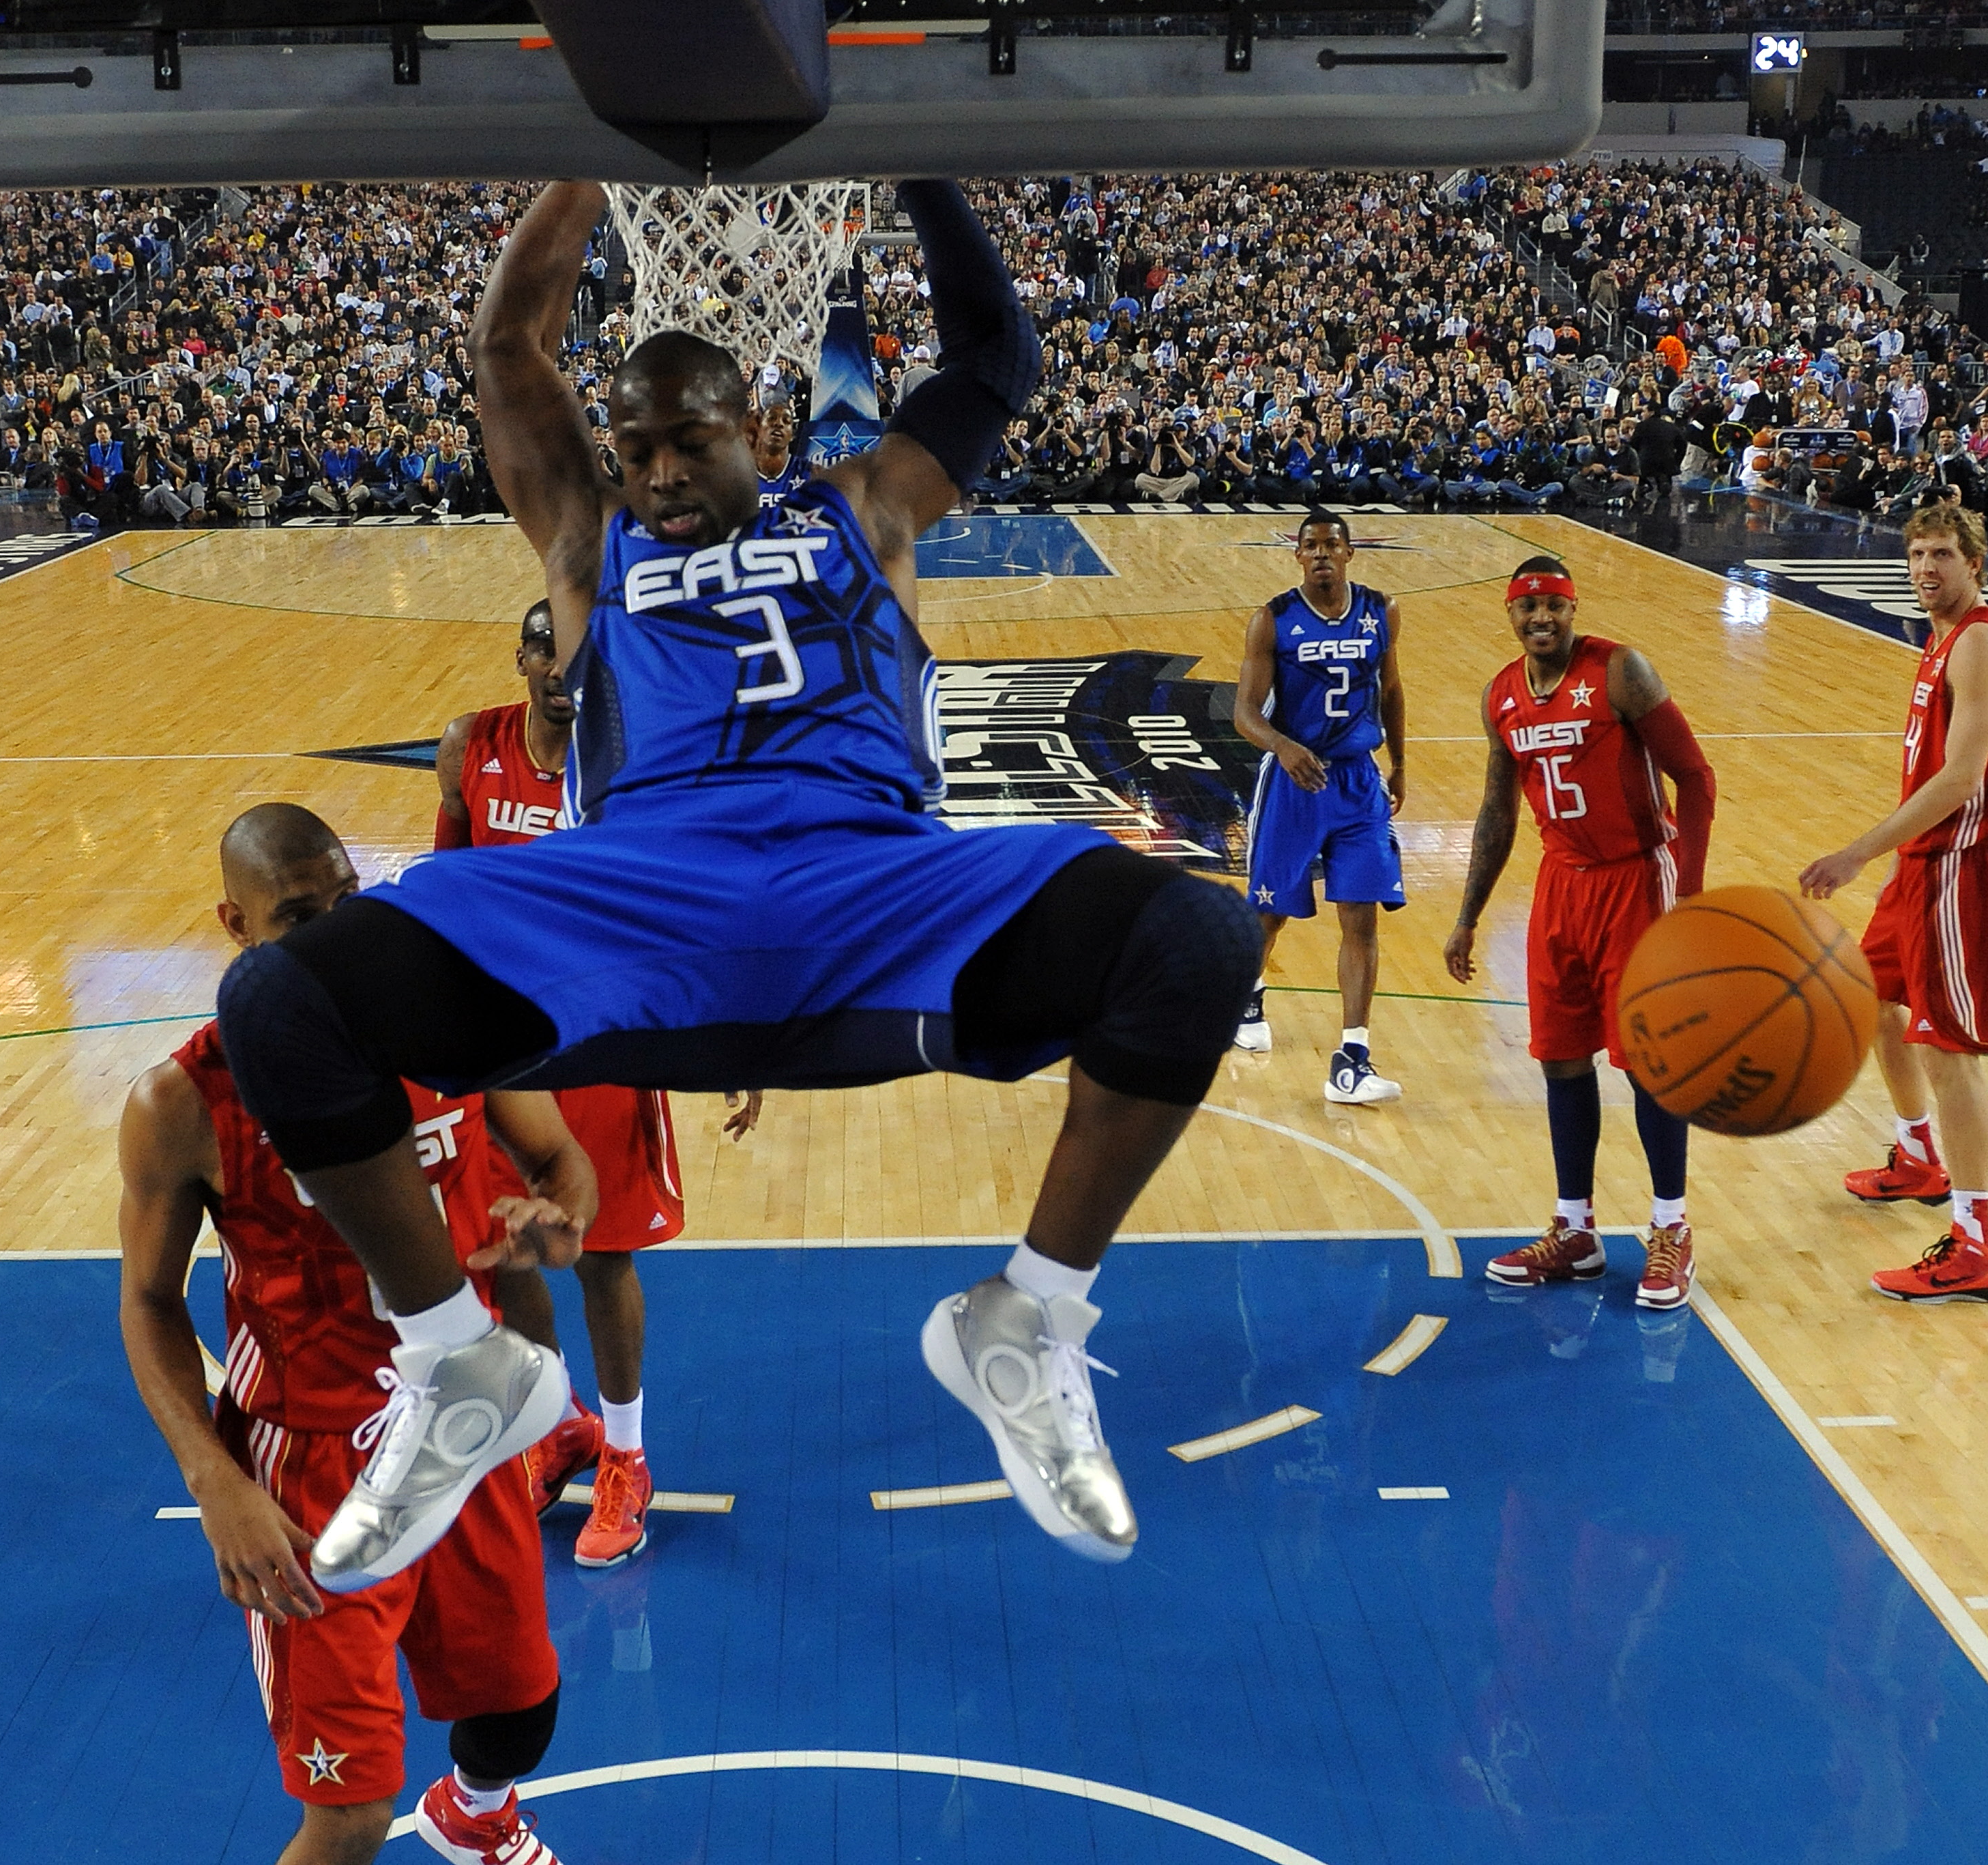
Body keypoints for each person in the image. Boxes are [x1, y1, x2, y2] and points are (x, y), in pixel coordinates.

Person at [212, 179, 1261, 1592]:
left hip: (876, 880)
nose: (655, 472)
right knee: (279, 1000)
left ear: (756, 433)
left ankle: (1027, 1315)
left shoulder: (866, 509)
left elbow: (992, 364)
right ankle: (463, 1362)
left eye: (685, 442)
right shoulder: (591, 545)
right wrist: (586, 170)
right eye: (634, 447)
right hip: (639, 890)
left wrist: (925, 171)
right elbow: (509, 353)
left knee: (1197, 928)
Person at [116, 803, 587, 1865]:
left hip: (461, 1428)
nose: (330, 937)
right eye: (297, 918)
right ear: (234, 924)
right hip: (312, 1470)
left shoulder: (447, 1025)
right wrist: (213, 1478)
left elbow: (561, 1162)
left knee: (518, 1712)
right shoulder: (182, 1102)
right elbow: (147, 1301)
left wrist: (552, 1223)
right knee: (350, 1820)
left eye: (345, 906)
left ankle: (477, 1818)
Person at [433, 598, 764, 1569]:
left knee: (605, 1257)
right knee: (510, 1249)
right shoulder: (471, 748)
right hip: (507, 1050)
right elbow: (449, 893)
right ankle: (558, 1423)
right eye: (547, 651)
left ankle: (625, 1456)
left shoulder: (640, 769)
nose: (561, 672)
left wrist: (726, 1040)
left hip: (610, 1042)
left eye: (580, 659)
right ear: (525, 656)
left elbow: (691, 916)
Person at [1443, 558, 1719, 1310]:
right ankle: (1576, 1230)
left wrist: (1688, 894)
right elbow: (1498, 812)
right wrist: (1469, 915)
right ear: (1510, 615)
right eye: (1528, 607)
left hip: (1638, 878)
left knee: (1648, 1063)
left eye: (1554, 606)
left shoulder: (1620, 671)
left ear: (1573, 609)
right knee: (1561, 1058)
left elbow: (1694, 778)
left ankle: (1671, 1228)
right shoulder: (1501, 696)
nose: (1541, 618)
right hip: (1562, 885)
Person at [1802, 502, 1988, 1303]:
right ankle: (1918, 1155)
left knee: (1950, 1050)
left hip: (1961, 870)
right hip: (1922, 869)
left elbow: (1963, 779)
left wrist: (1858, 851)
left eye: (1942, 555)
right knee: (1871, 998)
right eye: (1917, 555)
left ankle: (1974, 1246)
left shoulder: (1978, 643)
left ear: (1976, 563)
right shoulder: (1940, 639)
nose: (1927, 568)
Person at [1227, 508, 1408, 1105]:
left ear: (1351, 552)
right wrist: (1283, 746)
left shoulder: (1382, 610)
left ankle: (1352, 1055)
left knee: (1360, 915)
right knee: (1268, 913)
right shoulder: (1272, 620)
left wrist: (1400, 763)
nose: (1323, 553)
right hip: (1293, 784)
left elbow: (1391, 689)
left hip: (1357, 782)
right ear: (1297, 555)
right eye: (1312, 545)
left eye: (1333, 543)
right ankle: (1246, 993)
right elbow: (1245, 713)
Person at [752, 400, 807, 510]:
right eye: (771, 418)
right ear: (759, 428)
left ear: (793, 434)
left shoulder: (810, 473)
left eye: (786, 421)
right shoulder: (741, 474)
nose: (779, 424)